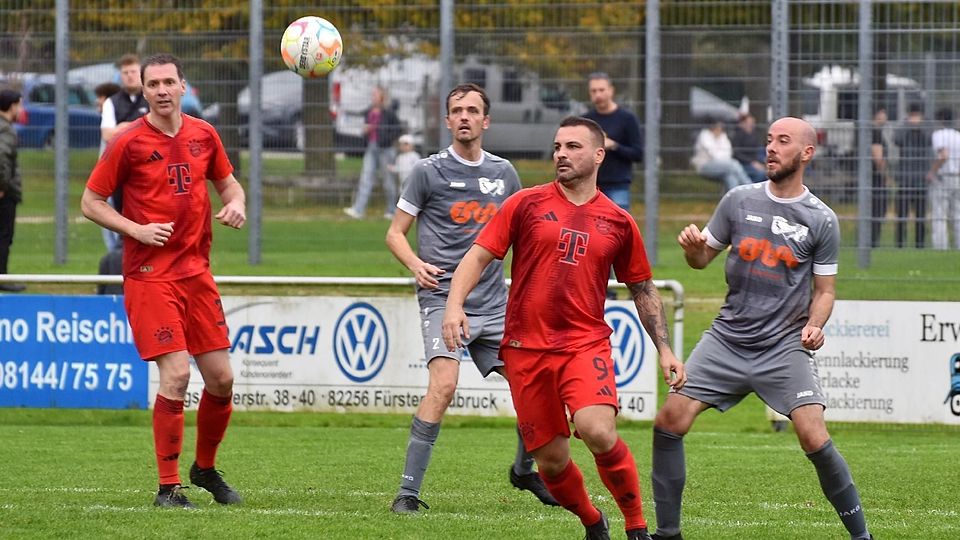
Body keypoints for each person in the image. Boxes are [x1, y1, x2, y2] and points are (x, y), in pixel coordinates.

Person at [442, 116, 686, 540]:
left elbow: (643, 289)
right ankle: (593, 521)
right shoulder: (526, 204)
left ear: (598, 155)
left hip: (583, 345)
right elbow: (478, 257)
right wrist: (453, 306)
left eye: (573, 146)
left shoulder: (618, 221)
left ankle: (637, 527)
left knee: (597, 430)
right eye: (557, 146)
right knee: (551, 462)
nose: (561, 154)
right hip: (524, 348)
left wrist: (664, 350)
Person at [650, 117, 872, 540]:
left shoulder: (821, 219)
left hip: (784, 345)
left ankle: (862, 536)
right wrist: (694, 252)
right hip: (727, 338)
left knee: (813, 435)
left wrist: (814, 324)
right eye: (769, 140)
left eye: (783, 141)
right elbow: (701, 261)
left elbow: (824, 291)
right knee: (669, 422)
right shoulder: (737, 200)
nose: (771, 147)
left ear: (807, 153)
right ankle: (668, 533)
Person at [81, 53, 246, 509]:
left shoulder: (203, 133)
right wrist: (135, 230)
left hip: (197, 274)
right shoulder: (128, 141)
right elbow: (90, 201)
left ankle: (205, 469)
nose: (161, 90)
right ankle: (168, 487)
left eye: (168, 82)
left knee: (222, 380)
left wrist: (237, 204)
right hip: (151, 277)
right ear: (145, 89)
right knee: (175, 375)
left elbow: (230, 186)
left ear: (182, 85)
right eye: (153, 83)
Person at [385, 83, 558, 514]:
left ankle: (522, 471)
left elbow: (522, 238)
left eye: (472, 110)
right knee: (443, 386)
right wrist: (414, 265)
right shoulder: (428, 171)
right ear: (447, 121)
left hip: (495, 304)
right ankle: (407, 493)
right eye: (457, 110)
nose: (465, 117)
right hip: (443, 299)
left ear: (486, 120)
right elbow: (394, 233)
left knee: (533, 389)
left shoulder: (505, 174)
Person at [99, 54, 149, 251]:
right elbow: (107, 134)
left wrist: (122, 128)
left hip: (149, 166)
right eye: (125, 73)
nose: (129, 76)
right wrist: (135, 128)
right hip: (123, 168)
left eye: (133, 72)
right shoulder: (112, 102)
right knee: (120, 213)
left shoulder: (150, 96)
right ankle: (119, 257)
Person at [582, 72, 643, 212]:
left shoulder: (627, 118)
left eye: (601, 90)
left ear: (611, 90)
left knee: (618, 229)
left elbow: (638, 153)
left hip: (618, 185)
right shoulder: (585, 120)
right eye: (593, 91)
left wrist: (613, 145)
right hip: (589, 186)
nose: (598, 95)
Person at [344, 86, 402, 219]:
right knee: (365, 178)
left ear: (382, 97)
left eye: (376, 94)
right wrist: (365, 131)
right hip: (371, 147)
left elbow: (397, 129)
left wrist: (386, 139)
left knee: (388, 181)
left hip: (385, 149)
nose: (373, 97)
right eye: (373, 94)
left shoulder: (388, 112)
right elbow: (364, 128)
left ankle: (392, 210)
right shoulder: (369, 111)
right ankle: (358, 210)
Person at [893, 104, 930, 248]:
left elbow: (929, 139)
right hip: (904, 178)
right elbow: (896, 140)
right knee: (901, 215)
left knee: (921, 216)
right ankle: (900, 245)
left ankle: (920, 244)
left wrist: (919, 127)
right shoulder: (903, 127)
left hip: (921, 179)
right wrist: (908, 126)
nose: (915, 119)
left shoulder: (927, 127)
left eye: (917, 115)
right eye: (912, 115)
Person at [0, 88, 25, 293]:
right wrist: (2, 186)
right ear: (12, 106)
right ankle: (2, 277)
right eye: (19, 104)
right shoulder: (6, 129)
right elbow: (2, 157)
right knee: (4, 235)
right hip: (4, 193)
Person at [927, 107, 960, 250]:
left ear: (939, 120)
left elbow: (944, 155)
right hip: (957, 176)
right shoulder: (958, 135)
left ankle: (941, 247)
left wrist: (932, 171)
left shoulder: (939, 134)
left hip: (942, 177)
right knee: (958, 214)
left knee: (940, 215)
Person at [691, 118, 752, 192]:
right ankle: (750, 187)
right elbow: (714, 155)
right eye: (718, 127)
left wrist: (721, 155)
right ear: (712, 127)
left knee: (731, 176)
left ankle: (733, 200)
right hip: (705, 166)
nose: (720, 129)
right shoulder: (705, 136)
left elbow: (728, 153)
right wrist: (722, 155)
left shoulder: (723, 136)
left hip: (723, 165)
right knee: (734, 164)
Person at [869, 107, 893, 247]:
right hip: (876, 178)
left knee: (874, 210)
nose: (886, 116)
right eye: (884, 112)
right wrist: (886, 176)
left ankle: (871, 240)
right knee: (878, 210)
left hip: (871, 177)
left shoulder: (868, 131)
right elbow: (878, 157)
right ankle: (873, 241)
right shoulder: (876, 132)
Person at [730, 113, 767, 183]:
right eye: (749, 122)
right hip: (742, 163)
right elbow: (737, 153)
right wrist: (752, 162)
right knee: (761, 174)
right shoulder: (737, 135)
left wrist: (761, 161)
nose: (751, 124)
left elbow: (758, 150)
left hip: (755, 162)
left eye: (752, 122)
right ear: (742, 123)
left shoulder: (754, 134)